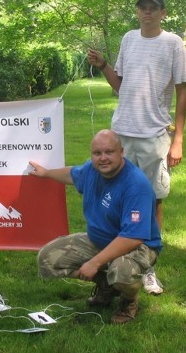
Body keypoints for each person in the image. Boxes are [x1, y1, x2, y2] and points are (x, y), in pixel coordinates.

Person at [87, 0, 186, 296]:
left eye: (153, 8)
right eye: (142, 7)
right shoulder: (129, 39)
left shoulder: (173, 43)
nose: (147, 13)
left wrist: (178, 139)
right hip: (122, 132)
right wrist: (104, 64)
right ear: (137, 11)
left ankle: (148, 267)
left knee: (153, 201)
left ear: (162, 13)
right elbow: (120, 85)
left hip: (154, 134)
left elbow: (182, 92)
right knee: (115, 201)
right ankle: (115, 263)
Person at [30, 130, 162, 325]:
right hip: (99, 240)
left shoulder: (135, 185)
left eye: (109, 152)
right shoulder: (92, 170)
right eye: (97, 153)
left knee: (122, 273)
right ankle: (107, 285)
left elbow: (133, 237)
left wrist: (94, 263)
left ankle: (128, 301)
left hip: (137, 245)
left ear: (121, 152)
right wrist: (46, 173)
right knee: (48, 259)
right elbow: (72, 174)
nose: (103, 158)